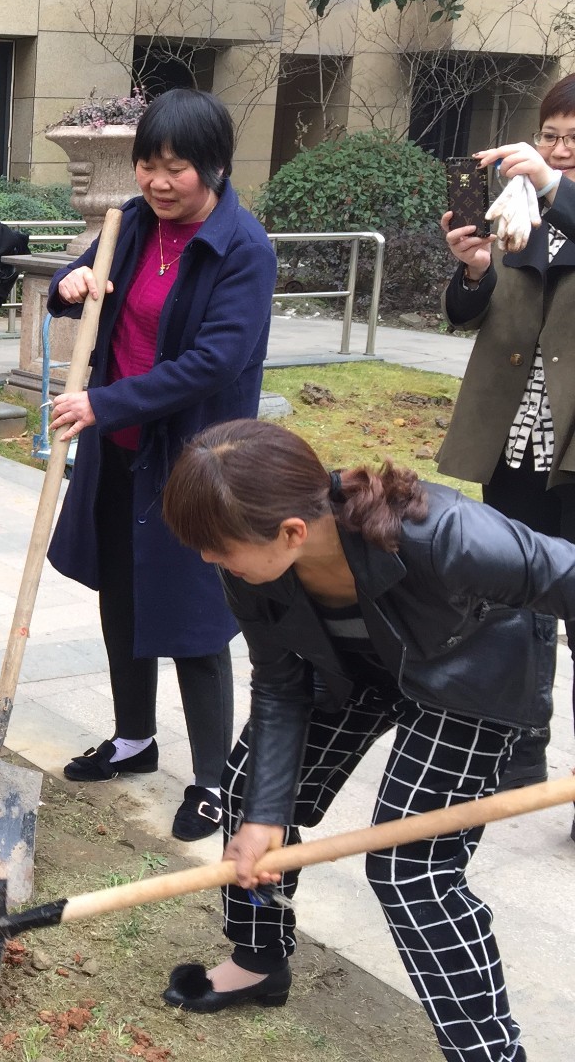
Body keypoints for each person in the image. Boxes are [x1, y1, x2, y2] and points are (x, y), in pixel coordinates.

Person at [159, 418, 568, 1062]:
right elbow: (279, 685)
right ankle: (260, 961)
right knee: (250, 796)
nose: (210, 560)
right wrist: (267, 815)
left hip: (467, 681)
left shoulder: (449, 537)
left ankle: (489, 1053)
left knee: (412, 869)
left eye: (219, 548)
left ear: (292, 531)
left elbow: (563, 572)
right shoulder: (251, 567)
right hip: (355, 674)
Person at [43, 88, 276, 841]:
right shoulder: (133, 225)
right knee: (124, 595)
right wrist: (71, 283)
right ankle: (133, 739)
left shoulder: (243, 247)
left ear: (212, 166)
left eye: (175, 168)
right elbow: (73, 283)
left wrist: (106, 404)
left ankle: (213, 781)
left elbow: (216, 361)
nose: (157, 181)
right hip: (124, 456)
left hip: (199, 461)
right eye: (147, 165)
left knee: (197, 619)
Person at [438, 72, 575, 801]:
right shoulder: (520, 213)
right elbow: (471, 313)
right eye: (550, 135)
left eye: (573, 140)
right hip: (515, 438)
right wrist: (475, 270)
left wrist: (552, 184)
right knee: (513, 595)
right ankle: (522, 750)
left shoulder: (556, 200)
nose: (557, 150)